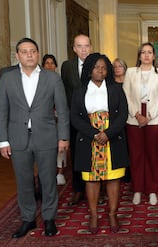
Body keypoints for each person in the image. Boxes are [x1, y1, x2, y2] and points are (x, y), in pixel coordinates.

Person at [0, 37, 69, 238]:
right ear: (17, 55)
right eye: (24, 51)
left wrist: (63, 136)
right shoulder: (7, 78)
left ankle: (49, 219)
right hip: (17, 138)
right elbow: (1, 110)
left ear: (37, 54)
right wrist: (3, 140)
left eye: (32, 51)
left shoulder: (52, 78)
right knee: (24, 181)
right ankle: (28, 219)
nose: (29, 54)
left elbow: (62, 110)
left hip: (46, 137)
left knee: (48, 180)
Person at [70, 53, 129, 234]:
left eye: (104, 67)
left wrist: (108, 133)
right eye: (96, 67)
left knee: (113, 177)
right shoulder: (79, 91)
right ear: (89, 70)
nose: (100, 70)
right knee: (92, 179)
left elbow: (122, 115)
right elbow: (75, 118)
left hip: (112, 139)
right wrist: (95, 133)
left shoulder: (116, 89)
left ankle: (112, 213)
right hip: (89, 140)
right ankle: (94, 214)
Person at [123, 42, 158, 205]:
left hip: (155, 120)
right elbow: (126, 96)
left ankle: (152, 190)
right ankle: (137, 189)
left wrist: (148, 116)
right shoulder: (130, 72)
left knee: (152, 156)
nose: (147, 55)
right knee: (136, 156)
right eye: (143, 52)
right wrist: (137, 114)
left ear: (154, 56)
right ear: (139, 55)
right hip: (133, 120)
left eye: (150, 52)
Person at [61, 34, 92, 206]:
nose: (83, 49)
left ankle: (97, 190)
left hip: (95, 120)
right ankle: (78, 190)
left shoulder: (98, 64)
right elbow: (64, 92)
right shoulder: (67, 66)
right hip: (74, 120)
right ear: (74, 48)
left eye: (86, 46)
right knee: (76, 155)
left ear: (91, 47)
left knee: (96, 155)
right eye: (79, 46)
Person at [42, 54, 67, 186]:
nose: (50, 65)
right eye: (47, 63)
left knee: (60, 148)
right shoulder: (39, 81)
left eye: (52, 63)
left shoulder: (59, 81)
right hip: (44, 122)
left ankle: (60, 172)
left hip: (57, 119)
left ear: (56, 66)